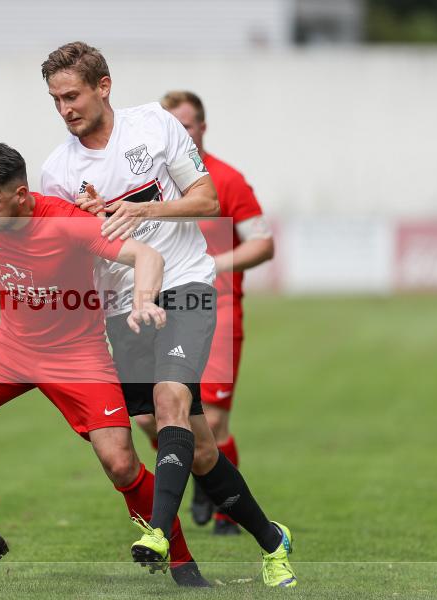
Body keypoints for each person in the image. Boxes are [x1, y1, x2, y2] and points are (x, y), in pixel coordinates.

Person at [40, 41, 297, 587]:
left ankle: (158, 532)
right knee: (194, 445)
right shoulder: (57, 170)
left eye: (73, 95)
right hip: (120, 307)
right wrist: (88, 227)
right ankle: (273, 541)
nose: (65, 108)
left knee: (169, 398)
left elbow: (206, 200)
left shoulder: (154, 127)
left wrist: (143, 208)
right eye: (55, 99)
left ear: (103, 86)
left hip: (185, 284)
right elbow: (71, 251)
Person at [0, 142, 210, 587]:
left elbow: (147, 256)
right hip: (11, 346)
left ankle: (182, 564)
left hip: (76, 355)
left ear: (21, 194)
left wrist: (145, 300)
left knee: (120, 464)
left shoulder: (67, 222)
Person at [134, 91, 275, 536]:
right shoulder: (147, 180)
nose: (181, 132)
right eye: (172, 125)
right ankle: (198, 466)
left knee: (210, 419)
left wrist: (219, 263)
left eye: (188, 125)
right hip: (157, 306)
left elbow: (262, 242)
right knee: (146, 415)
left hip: (217, 305)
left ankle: (218, 506)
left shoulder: (226, 180)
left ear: (202, 129)